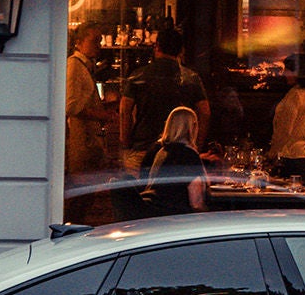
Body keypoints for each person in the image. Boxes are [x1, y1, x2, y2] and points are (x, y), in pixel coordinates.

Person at [126, 23, 206, 159]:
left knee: (143, 180)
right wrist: (196, 144)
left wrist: (126, 143)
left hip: (143, 149)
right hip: (179, 152)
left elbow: (124, 110)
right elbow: (205, 112)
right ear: (181, 50)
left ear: (157, 46)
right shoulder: (191, 78)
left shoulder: (138, 75)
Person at [64, 23, 115, 217]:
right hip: (81, 147)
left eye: (100, 41)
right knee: (79, 200)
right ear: (78, 42)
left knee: (84, 199)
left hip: (88, 146)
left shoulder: (84, 67)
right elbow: (71, 106)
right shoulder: (75, 66)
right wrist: (101, 115)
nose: (99, 45)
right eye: (94, 41)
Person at [143, 106, 208, 217]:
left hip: (153, 212)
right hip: (176, 217)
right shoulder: (188, 155)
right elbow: (196, 203)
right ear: (192, 128)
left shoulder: (161, 151)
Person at [269, 81, 305, 161]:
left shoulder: (295, 95)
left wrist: (273, 152)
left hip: (289, 155)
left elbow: (285, 129)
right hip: (303, 154)